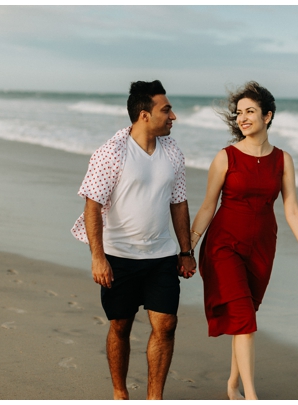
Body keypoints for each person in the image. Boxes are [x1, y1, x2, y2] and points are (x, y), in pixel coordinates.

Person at [188, 81, 298, 400]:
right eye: (239, 113)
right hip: (223, 245)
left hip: (263, 245)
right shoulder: (226, 158)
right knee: (244, 319)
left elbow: (291, 208)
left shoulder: (283, 160)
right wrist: (187, 248)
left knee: (245, 316)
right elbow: (208, 205)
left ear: (268, 115)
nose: (243, 118)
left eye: (250, 111)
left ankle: (233, 384)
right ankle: (251, 396)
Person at [70, 80, 196, 400]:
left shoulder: (172, 151)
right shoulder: (110, 153)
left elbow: (178, 202)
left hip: (161, 256)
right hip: (119, 257)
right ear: (144, 115)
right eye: (166, 110)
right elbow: (92, 206)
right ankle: (120, 392)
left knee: (166, 324)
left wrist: (185, 250)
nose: (173, 116)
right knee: (121, 327)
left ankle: (155, 398)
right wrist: (98, 258)